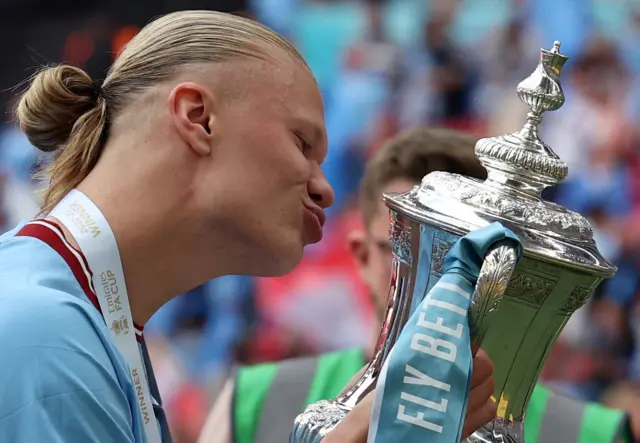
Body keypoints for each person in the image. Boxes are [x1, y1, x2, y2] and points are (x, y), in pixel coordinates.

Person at [0, 11, 496, 443]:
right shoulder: (46, 337)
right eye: (302, 143)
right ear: (198, 118)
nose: (325, 189)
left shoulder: (73, 318)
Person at [199, 127, 635, 443]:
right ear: (361, 256)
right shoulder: (258, 401)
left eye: (476, 257)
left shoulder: (588, 434)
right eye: (408, 247)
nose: (450, 279)